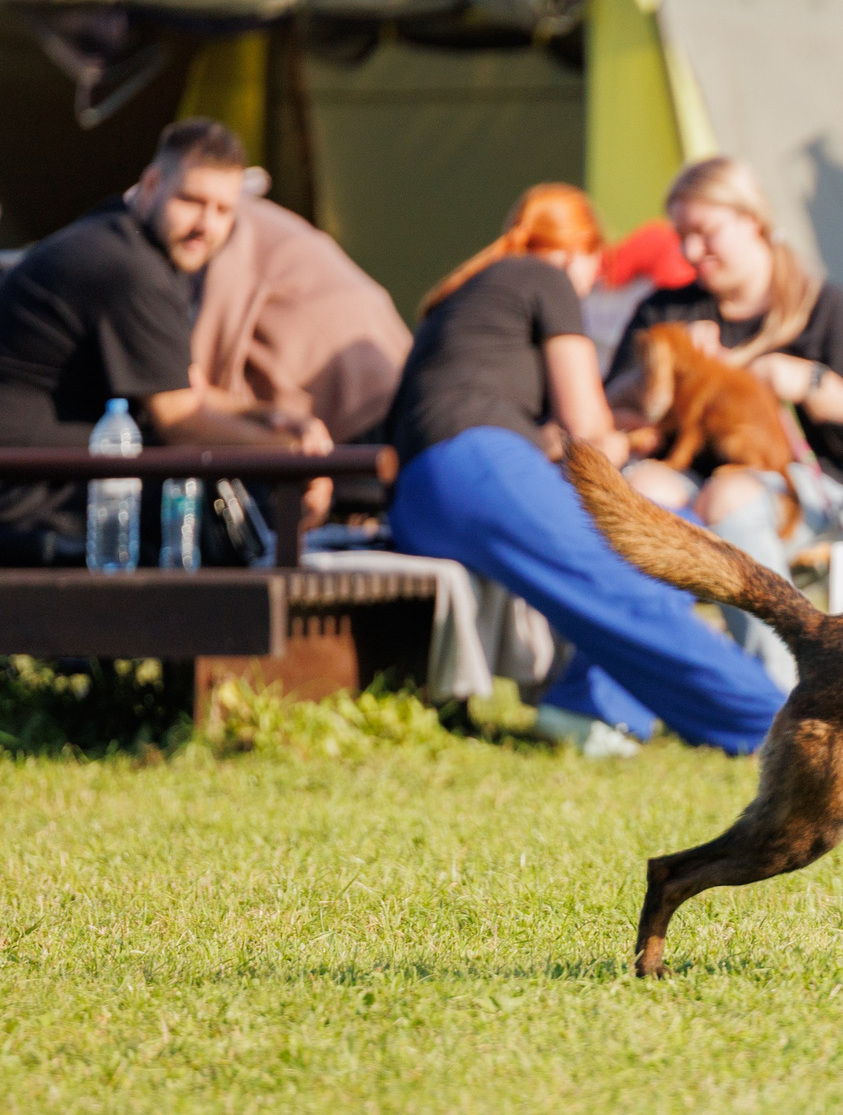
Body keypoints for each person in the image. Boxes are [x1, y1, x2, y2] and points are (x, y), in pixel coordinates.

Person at [382, 183, 786, 758]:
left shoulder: (468, 291)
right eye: (597, 266)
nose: (594, 283)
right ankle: (782, 724)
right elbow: (588, 432)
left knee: (668, 529)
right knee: (634, 566)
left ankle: (585, 709)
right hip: (478, 467)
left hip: (420, 497)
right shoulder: (547, 277)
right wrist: (632, 434)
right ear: (581, 251)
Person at [609, 156, 843, 689]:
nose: (691, 252)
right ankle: (634, 687)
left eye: (705, 232)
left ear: (753, 221)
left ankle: (775, 694)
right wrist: (661, 381)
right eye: (682, 236)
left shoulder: (828, 312)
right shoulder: (668, 312)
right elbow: (613, 409)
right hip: (690, 478)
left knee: (731, 495)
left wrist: (812, 383)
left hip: (808, 492)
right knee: (639, 489)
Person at [0, 119, 331, 566]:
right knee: (222, 506)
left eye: (223, 210)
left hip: (56, 488)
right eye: (192, 201)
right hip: (29, 500)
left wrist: (275, 416)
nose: (207, 225)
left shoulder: (126, 235)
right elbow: (181, 420)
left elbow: (189, 389)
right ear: (153, 183)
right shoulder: (129, 267)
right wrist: (297, 461)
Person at [194, 190, 413, 443]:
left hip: (345, 392)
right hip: (394, 366)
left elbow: (200, 367)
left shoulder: (226, 227)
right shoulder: (259, 218)